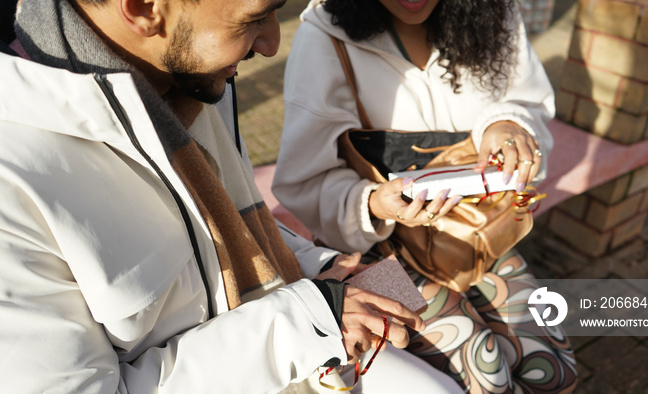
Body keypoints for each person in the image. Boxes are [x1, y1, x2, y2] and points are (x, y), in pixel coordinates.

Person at [0, 0, 444, 392]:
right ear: (142, 7)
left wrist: (322, 272)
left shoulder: (189, 81)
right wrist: (307, 320)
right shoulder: (13, 180)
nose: (272, 42)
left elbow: (229, 232)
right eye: (255, 17)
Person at [273, 0, 579, 392]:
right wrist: (371, 202)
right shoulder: (324, 36)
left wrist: (508, 124)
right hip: (373, 251)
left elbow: (528, 103)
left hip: (476, 229)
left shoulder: (496, 12)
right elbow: (302, 181)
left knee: (554, 369)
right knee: (486, 374)